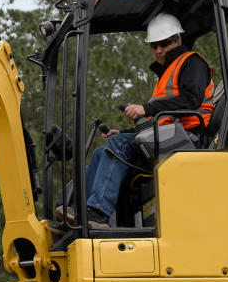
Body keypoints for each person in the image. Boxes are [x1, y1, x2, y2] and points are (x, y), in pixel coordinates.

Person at [81, 12, 214, 228]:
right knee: (102, 150)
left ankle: (98, 213)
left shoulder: (192, 63)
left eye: (165, 43)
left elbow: (191, 99)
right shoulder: (167, 73)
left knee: (117, 146)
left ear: (178, 40)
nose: (159, 50)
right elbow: (160, 120)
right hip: (170, 134)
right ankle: (81, 212)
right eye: (154, 45)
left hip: (189, 137)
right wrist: (125, 132)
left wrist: (145, 108)